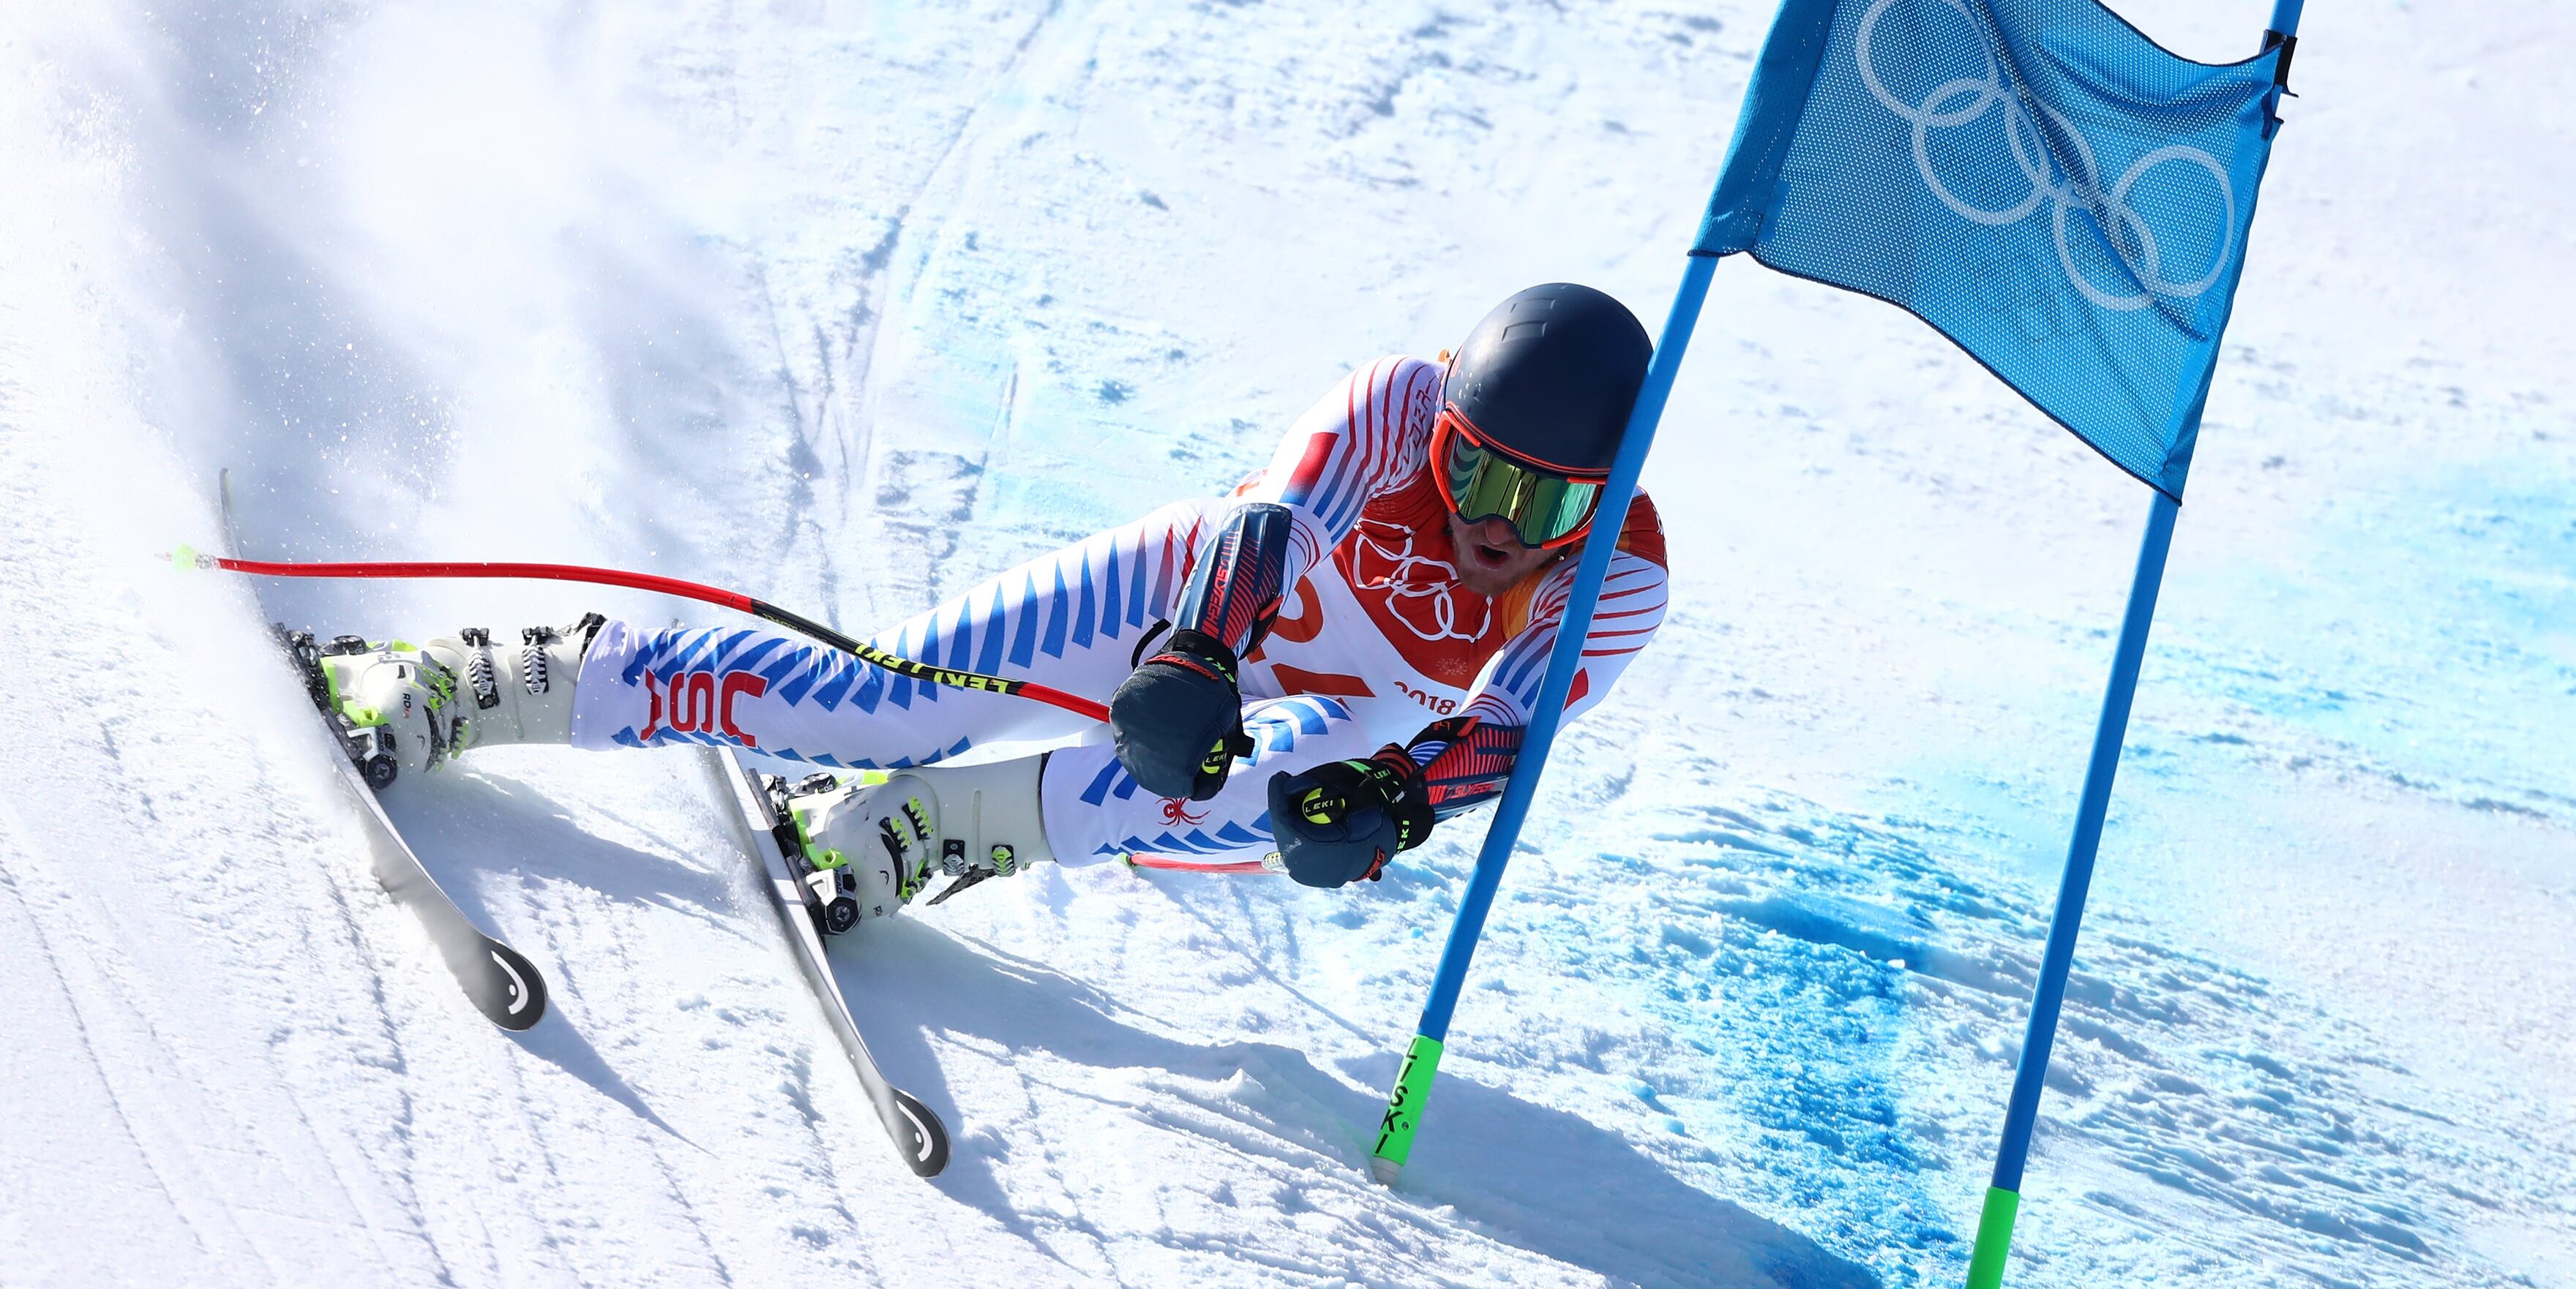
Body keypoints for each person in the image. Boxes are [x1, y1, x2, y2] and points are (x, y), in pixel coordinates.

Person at [314, 283, 1669, 928]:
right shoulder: (1398, 401)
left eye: (1547, 503)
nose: (1497, 523)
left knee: (1300, 785)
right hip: (1199, 604)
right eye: (1479, 471)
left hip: (1353, 715)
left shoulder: (1621, 574)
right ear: (1451, 424)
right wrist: (1197, 656)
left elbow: (1503, 730)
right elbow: (1265, 531)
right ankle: (478, 677)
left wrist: (1397, 806)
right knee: (875, 704)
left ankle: (921, 833)